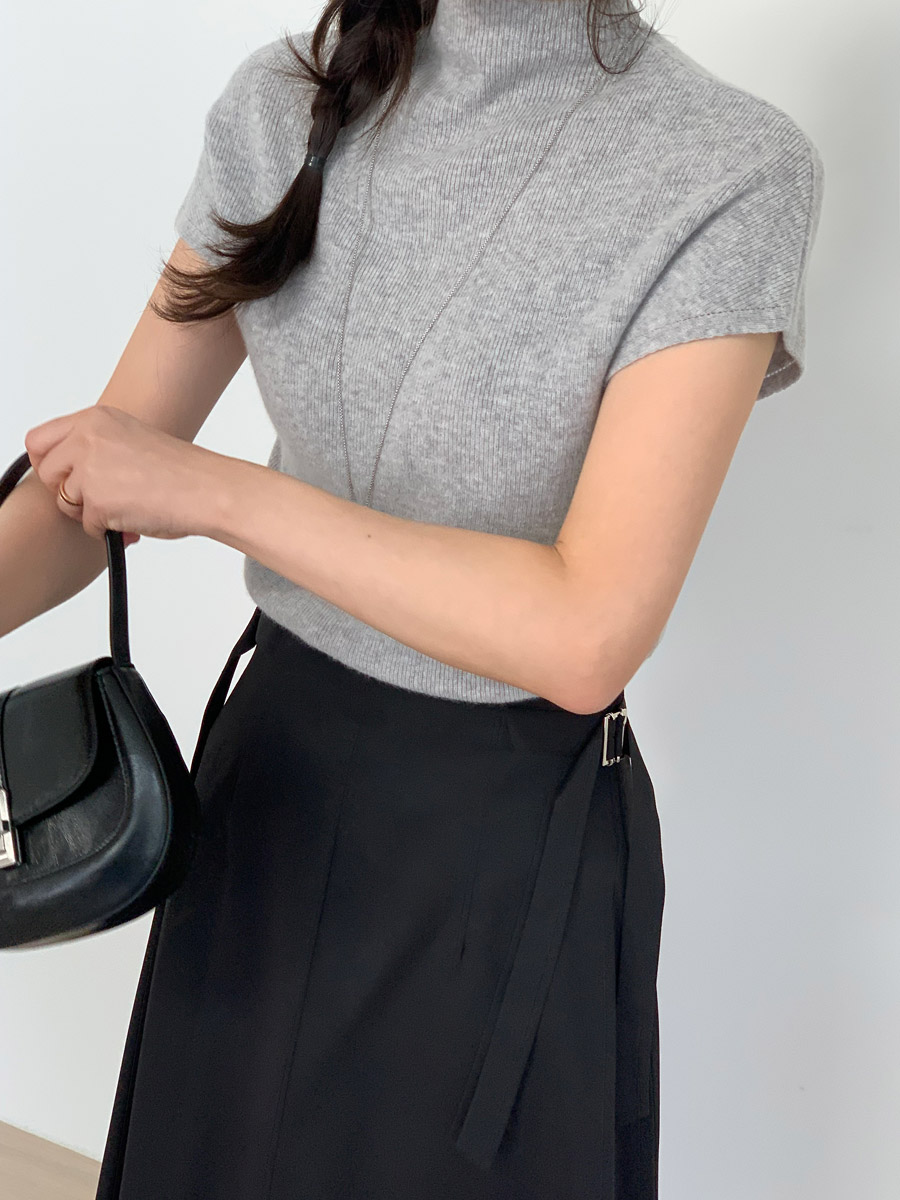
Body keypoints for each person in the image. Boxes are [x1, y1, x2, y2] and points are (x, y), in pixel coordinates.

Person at [2, 0, 824, 1196]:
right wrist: (157, 483)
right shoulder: (285, 102)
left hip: (501, 841)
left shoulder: (725, 164)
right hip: (264, 782)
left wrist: (220, 493)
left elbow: (586, 633)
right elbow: (90, 486)